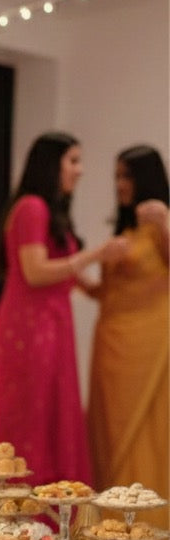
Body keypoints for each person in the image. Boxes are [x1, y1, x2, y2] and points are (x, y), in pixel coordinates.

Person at [0, 132, 114, 485]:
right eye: (73, 161)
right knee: (31, 421)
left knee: (57, 418)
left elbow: (83, 284)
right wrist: (95, 255)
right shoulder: (32, 207)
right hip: (28, 331)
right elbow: (35, 272)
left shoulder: (52, 213)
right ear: (51, 165)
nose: (81, 170)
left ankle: (58, 522)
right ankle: (26, 520)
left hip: (53, 327)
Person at [87, 144, 169, 515]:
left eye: (127, 176)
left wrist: (166, 221)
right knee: (108, 432)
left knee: (148, 434)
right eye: (117, 176)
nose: (120, 184)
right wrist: (71, 270)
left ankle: (150, 526)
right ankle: (111, 523)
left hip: (150, 347)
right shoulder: (124, 230)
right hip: (110, 344)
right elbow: (106, 293)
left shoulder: (156, 228)